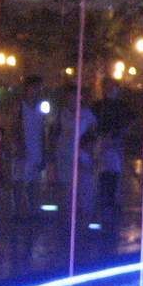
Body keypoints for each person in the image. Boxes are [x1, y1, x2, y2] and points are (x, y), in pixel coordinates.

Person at [52, 87, 96, 223]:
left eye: (74, 97)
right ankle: (66, 216)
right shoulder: (62, 113)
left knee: (83, 185)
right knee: (66, 186)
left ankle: (84, 217)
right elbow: (55, 132)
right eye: (69, 97)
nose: (71, 100)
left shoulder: (87, 114)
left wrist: (89, 150)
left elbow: (93, 133)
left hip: (81, 154)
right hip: (64, 154)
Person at [91, 77, 131, 225]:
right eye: (107, 87)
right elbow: (92, 124)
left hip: (115, 145)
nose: (109, 90)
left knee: (114, 174)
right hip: (102, 144)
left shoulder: (122, 106)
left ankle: (112, 205)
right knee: (102, 175)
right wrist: (100, 138)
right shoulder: (98, 106)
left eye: (112, 87)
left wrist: (117, 137)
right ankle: (103, 205)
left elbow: (128, 124)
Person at [12, 76, 49, 216]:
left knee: (34, 181)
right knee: (19, 180)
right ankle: (18, 211)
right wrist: (19, 146)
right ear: (27, 88)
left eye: (39, 88)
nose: (37, 91)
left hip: (36, 148)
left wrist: (44, 150)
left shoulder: (41, 107)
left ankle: (34, 210)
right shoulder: (20, 106)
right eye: (34, 88)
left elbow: (43, 128)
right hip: (23, 149)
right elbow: (15, 127)